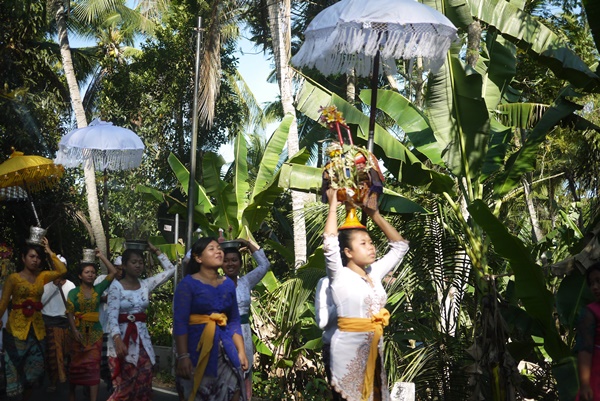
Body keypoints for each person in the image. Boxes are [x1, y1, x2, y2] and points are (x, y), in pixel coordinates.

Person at [323, 188, 409, 401]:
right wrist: (333, 205)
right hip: (347, 353)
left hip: (373, 348)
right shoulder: (339, 275)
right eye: (363, 243)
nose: (371, 247)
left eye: (370, 242)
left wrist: (374, 214)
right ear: (348, 252)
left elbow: (400, 247)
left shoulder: (375, 273)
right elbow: (329, 244)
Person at [174, 237, 248, 401]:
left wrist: (241, 351)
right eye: (211, 248)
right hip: (195, 350)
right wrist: (183, 356)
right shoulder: (187, 284)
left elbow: (234, 320)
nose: (218, 251)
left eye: (219, 248)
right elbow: (180, 322)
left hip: (225, 348)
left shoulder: (228, 284)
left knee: (233, 390)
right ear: (198, 258)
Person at [106, 242, 175, 401]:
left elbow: (171, 270)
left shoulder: (145, 284)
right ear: (124, 265)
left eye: (141, 262)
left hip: (142, 340)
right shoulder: (115, 287)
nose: (138, 265)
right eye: (134, 262)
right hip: (122, 341)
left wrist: (155, 250)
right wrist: (117, 340)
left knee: (144, 382)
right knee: (124, 388)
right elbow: (112, 315)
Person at [0, 237, 67, 400]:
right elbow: (3, 303)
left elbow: (61, 271)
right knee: (15, 367)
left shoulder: (42, 276)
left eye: (38, 257)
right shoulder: (13, 278)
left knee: (34, 371)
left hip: (37, 330)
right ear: (23, 258)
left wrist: (50, 252)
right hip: (16, 330)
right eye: (32, 256)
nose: (35, 260)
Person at [66, 249, 118, 401]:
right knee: (75, 368)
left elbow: (113, 272)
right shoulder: (74, 293)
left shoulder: (98, 289)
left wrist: (101, 256)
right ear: (80, 275)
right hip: (78, 335)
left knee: (94, 369)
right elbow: (69, 312)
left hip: (95, 334)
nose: (90, 274)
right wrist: (74, 330)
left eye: (93, 272)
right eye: (87, 272)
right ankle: (71, 392)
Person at [222, 238, 270, 399]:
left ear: (240, 263)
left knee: (244, 374)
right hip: (223, 335)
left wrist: (248, 244)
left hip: (244, 335)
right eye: (226, 260)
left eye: (234, 260)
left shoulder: (245, 282)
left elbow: (264, 265)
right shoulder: (214, 283)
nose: (230, 264)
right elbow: (190, 261)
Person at [41, 254, 75, 393]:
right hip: (49, 323)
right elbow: (41, 302)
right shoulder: (45, 284)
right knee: (52, 356)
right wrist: (54, 286)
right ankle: (53, 380)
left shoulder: (71, 285)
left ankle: (66, 377)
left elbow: (73, 305)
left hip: (65, 324)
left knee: (67, 354)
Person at [95, 256, 123, 394]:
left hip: (116, 331)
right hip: (101, 327)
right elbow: (91, 296)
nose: (119, 272)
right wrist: (104, 298)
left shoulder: (126, 283)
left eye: (121, 269)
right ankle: (106, 382)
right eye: (117, 268)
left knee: (113, 361)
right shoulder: (101, 280)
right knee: (100, 362)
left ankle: (113, 386)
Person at [314, 275, 341, 401]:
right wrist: (342, 303)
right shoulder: (326, 282)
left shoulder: (365, 280)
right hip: (335, 349)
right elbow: (322, 321)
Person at [576, 262, 600, 401]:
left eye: (598, 281)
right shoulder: (590, 312)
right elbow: (585, 349)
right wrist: (585, 384)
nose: (595, 287)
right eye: (591, 283)